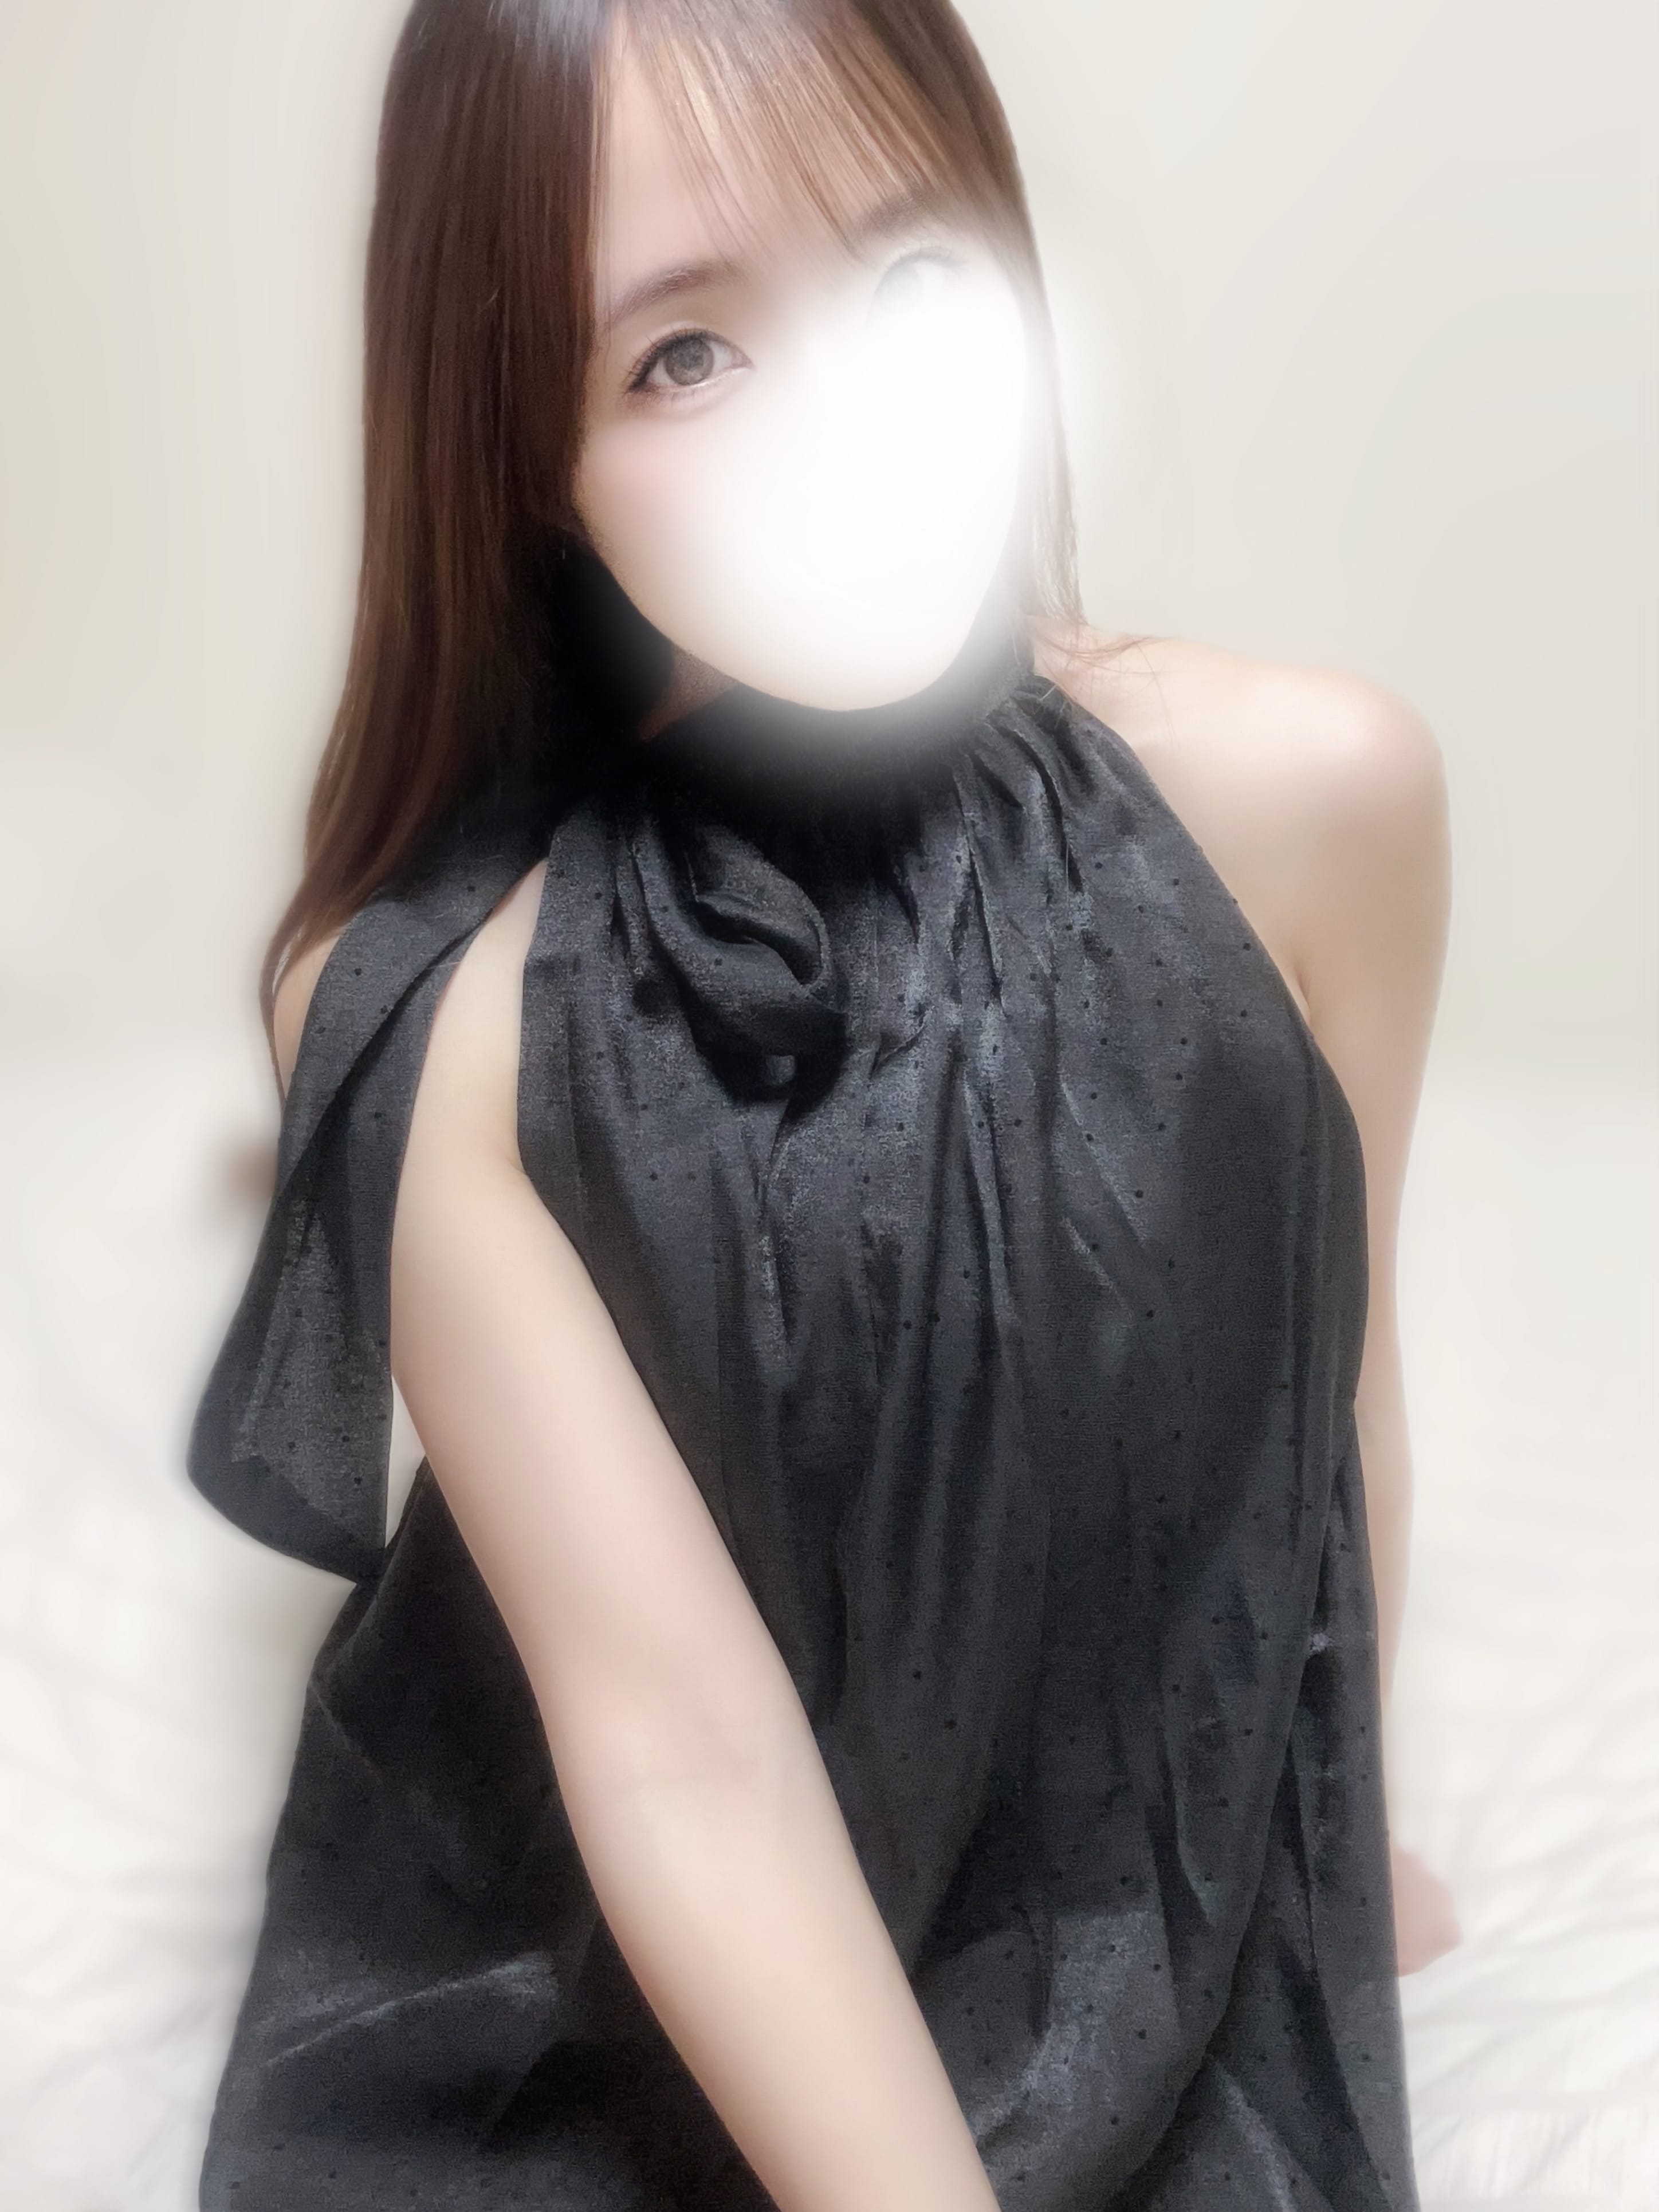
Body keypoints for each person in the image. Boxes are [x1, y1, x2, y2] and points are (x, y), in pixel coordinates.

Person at [186, 1, 1458, 2206]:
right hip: (619, 1989)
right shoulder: (438, 1007)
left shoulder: (1317, 798)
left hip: (1118, 1902)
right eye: (682, 355)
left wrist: (1325, 1840)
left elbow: (1326, 1405)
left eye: (917, 275)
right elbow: (677, 1749)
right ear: (525, 445)